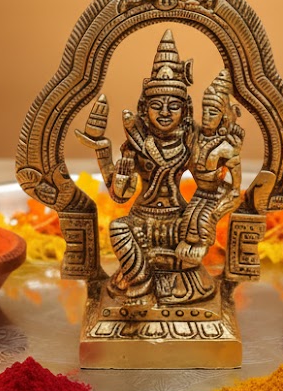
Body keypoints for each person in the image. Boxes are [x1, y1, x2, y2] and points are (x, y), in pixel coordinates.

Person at [76, 29, 207, 303]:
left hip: (177, 223)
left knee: (192, 245)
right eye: (156, 105)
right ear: (144, 108)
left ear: (185, 111)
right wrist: (113, 167)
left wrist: (199, 220)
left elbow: (207, 188)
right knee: (117, 228)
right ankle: (142, 280)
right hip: (140, 220)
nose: (164, 112)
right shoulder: (136, 143)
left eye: (174, 106)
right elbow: (120, 196)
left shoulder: (190, 142)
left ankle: (144, 276)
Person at [175, 68, 243, 266]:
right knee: (188, 219)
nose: (206, 116)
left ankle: (201, 247)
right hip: (201, 191)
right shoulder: (196, 138)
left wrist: (229, 198)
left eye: (212, 112)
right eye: (204, 111)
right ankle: (189, 245)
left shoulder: (225, 147)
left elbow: (236, 184)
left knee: (204, 219)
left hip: (218, 191)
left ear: (223, 117)